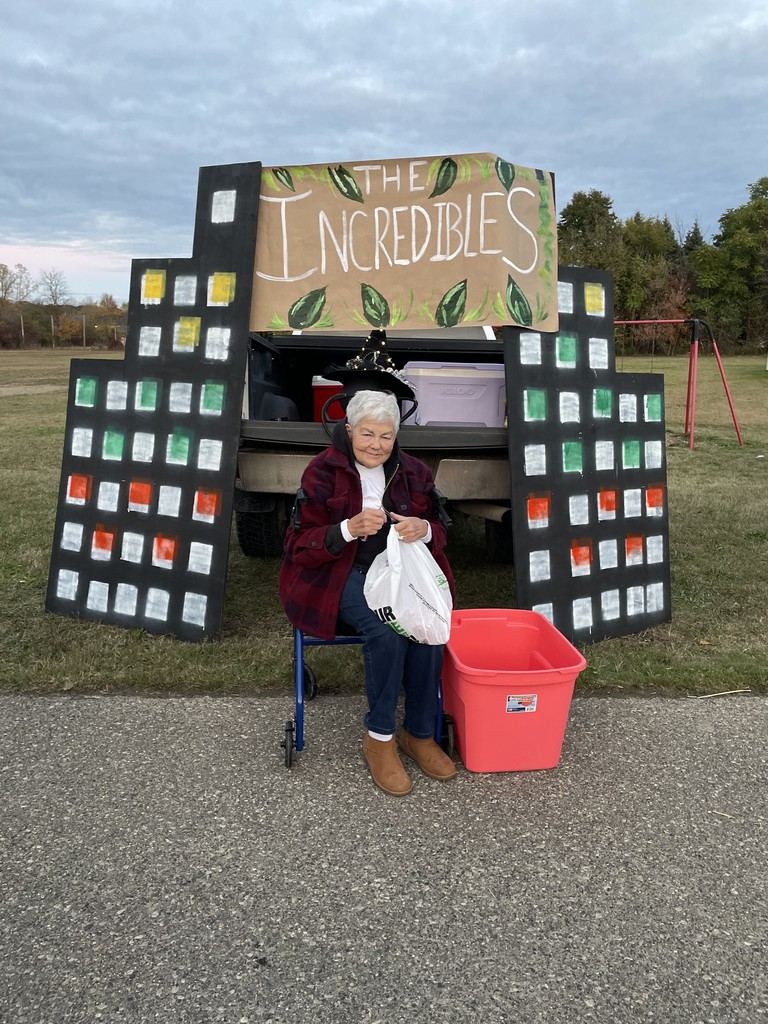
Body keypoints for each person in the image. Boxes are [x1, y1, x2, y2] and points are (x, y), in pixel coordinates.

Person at [279, 388, 457, 796]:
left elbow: (442, 529)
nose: (376, 445)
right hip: (339, 574)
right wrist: (347, 529)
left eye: (386, 436)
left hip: (400, 572)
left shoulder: (414, 471)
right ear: (349, 430)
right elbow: (297, 545)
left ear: (396, 436)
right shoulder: (322, 471)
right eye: (367, 434)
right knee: (387, 629)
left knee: (427, 626)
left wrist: (424, 529)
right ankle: (379, 738)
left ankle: (418, 733)